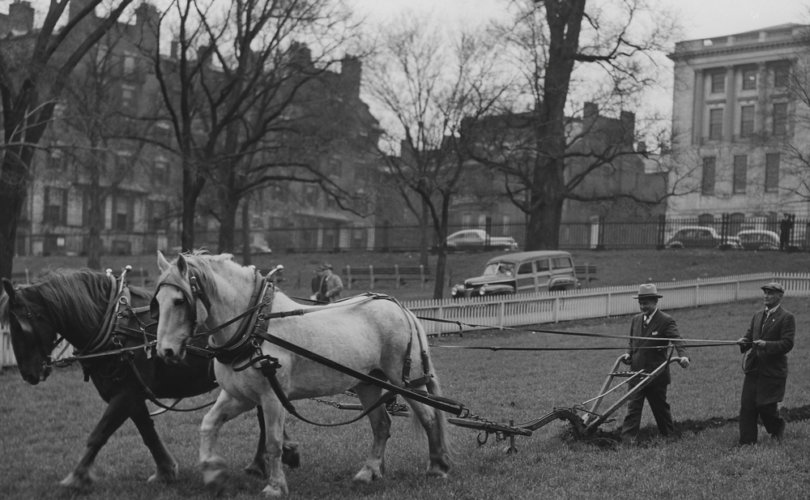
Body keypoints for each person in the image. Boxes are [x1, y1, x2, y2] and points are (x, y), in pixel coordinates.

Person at [620, 283, 690, 445]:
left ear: (655, 302)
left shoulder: (665, 320)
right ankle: (627, 441)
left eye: (646, 303)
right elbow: (632, 343)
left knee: (660, 408)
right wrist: (628, 354)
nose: (643, 306)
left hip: (655, 374)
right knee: (633, 408)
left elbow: (677, 340)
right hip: (637, 373)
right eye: (641, 303)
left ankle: (669, 436)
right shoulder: (636, 320)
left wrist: (683, 356)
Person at [737, 281, 795, 445]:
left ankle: (777, 427)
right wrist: (743, 342)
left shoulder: (787, 317)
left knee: (765, 406)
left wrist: (767, 345)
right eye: (765, 292)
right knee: (747, 405)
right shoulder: (757, 315)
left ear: (779, 296)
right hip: (753, 367)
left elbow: (787, 344)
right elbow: (750, 337)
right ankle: (747, 442)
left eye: (770, 293)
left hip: (772, 371)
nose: (766, 296)